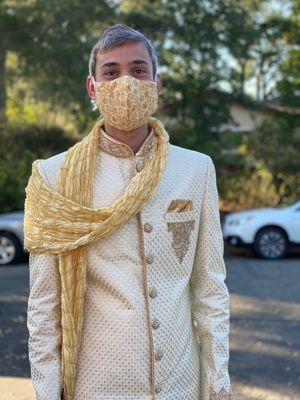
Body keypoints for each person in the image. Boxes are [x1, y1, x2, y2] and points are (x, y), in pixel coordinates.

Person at [24, 24, 233, 400]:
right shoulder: (52, 177)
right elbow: (43, 308)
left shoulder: (195, 169)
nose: (126, 82)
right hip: (97, 386)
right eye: (111, 72)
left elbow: (210, 290)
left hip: (181, 385)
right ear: (93, 87)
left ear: (156, 82)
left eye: (138, 70)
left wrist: (217, 385)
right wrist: (47, 393)